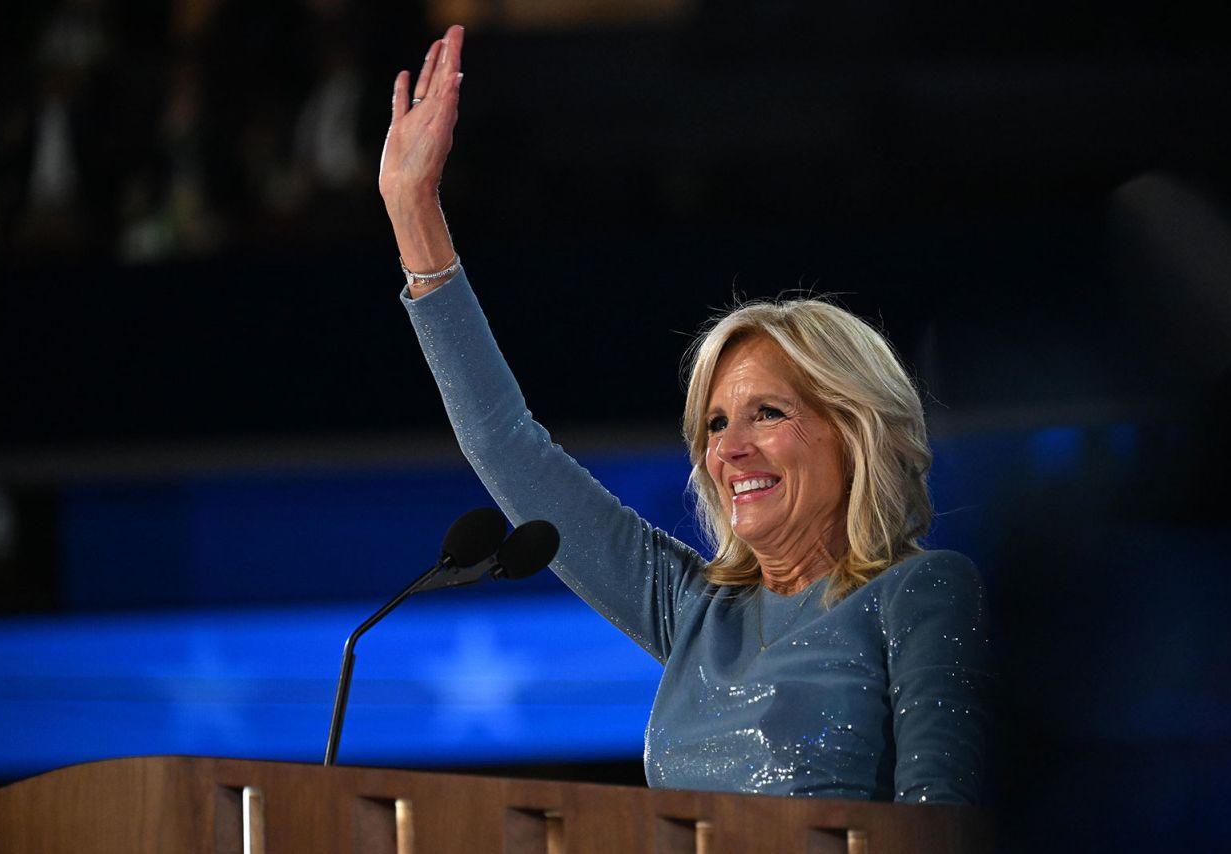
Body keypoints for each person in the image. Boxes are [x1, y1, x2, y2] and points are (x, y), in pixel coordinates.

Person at [380, 26, 991, 804]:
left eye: (765, 413)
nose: (728, 450)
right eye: (712, 424)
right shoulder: (694, 610)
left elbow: (942, 822)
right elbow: (508, 447)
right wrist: (414, 216)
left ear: (855, 428)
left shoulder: (923, 592)